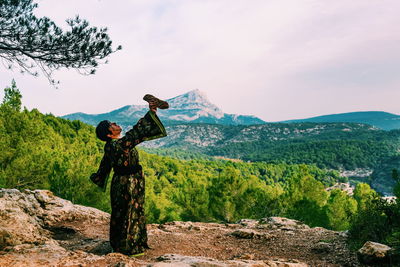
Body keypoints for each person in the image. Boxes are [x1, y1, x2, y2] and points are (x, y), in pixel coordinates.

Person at [90, 94, 169, 255]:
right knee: (130, 212)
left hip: (127, 182)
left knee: (128, 211)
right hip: (128, 183)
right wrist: (151, 112)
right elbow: (137, 132)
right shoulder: (120, 144)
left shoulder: (111, 146)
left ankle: (126, 243)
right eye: (112, 124)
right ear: (108, 134)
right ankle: (129, 247)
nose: (115, 124)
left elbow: (105, 166)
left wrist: (98, 177)